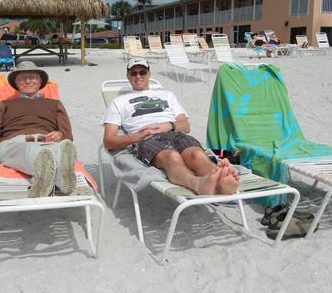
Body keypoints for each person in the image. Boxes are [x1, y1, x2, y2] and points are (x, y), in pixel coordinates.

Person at [102, 58, 240, 195]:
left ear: (149, 74)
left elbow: (185, 125)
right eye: (134, 73)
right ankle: (198, 184)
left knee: (197, 155)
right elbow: (108, 141)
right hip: (147, 139)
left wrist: (169, 125)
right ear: (128, 76)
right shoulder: (118, 102)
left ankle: (221, 181)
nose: (138, 76)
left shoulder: (167, 95)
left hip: (175, 133)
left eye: (142, 72)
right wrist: (137, 136)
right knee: (172, 157)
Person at [0, 60, 77, 197]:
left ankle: (57, 179)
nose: (27, 81)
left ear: (39, 82)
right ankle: (53, 175)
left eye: (32, 77)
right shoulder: (5, 104)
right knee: (32, 150)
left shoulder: (54, 104)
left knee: (58, 148)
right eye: (22, 78)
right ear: (16, 82)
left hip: (47, 139)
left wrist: (60, 134)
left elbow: (67, 133)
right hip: (14, 142)